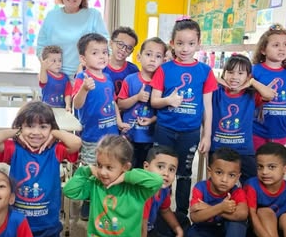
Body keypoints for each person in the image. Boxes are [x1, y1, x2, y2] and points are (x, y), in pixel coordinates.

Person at [0, 101, 81, 237]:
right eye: (29, 126)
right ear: (21, 127)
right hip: (21, 227)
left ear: (51, 128)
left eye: (43, 127)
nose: (36, 132)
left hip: (48, 226)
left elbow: (76, 143)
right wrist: (15, 131)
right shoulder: (15, 149)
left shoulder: (55, 150)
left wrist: (55, 133)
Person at [150, 17, 218, 217]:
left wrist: (206, 136)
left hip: (190, 132)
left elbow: (207, 107)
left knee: (184, 173)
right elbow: (154, 101)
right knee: (161, 171)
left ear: (198, 44)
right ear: (172, 43)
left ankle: (181, 214)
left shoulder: (205, 71)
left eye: (190, 43)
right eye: (179, 43)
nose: (185, 49)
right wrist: (168, 100)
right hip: (165, 130)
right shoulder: (164, 69)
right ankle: (157, 213)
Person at [72, 32, 126, 220]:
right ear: (83, 58)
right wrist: (84, 89)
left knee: (109, 167)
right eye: (95, 53)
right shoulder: (82, 78)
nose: (102, 56)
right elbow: (77, 104)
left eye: (104, 52)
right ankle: (88, 202)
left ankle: (106, 200)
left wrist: (119, 122)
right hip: (92, 136)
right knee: (92, 170)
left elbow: (113, 103)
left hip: (111, 136)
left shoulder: (108, 78)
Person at [212, 54, 276, 183]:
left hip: (244, 150)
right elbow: (203, 78)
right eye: (230, 72)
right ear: (224, 74)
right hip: (218, 148)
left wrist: (252, 82)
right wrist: (219, 80)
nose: (234, 77)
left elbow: (270, 95)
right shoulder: (216, 91)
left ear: (248, 76)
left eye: (240, 73)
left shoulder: (251, 94)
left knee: (251, 183)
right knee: (219, 184)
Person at [37, 0, 109, 80]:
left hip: (85, 77)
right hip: (55, 77)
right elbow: (41, 47)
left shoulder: (93, 15)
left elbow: (106, 46)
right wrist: (46, 70)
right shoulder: (51, 16)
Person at [251, 23, 286, 151]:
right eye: (276, 45)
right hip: (256, 132)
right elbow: (245, 100)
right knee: (257, 162)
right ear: (263, 50)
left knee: (276, 163)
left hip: (282, 134)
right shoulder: (254, 71)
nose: (282, 49)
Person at [137, 145, 188, 237]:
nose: (166, 173)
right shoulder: (145, 193)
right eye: (160, 167)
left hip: (151, 225)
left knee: (182, 219)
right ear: (146, 167)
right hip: (136, 236)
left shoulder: (163, 188)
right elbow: (141, 230)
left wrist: (177, 229)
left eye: (171, 169)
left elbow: (165, 210)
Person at [118, 37, 167, 168]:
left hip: (151, 138)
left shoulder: (164, 83)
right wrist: (137, 97)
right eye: (148, 54)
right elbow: (120, 104)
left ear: (164, 61)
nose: (153, 59)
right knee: (128, 169)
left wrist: (152, 120)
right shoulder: (130, 79)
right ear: (139, 57)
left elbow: (164, 111)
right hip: (129, 136)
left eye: (158, 56)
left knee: (146, 171)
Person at [105, 26, 140, 95]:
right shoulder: (99, 66)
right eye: (120, 44)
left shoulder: (133, 70)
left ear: (131, 52)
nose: (123, 49)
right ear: (111, 43)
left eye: (129, 48)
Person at [38, 45, 73, 111]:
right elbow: (43, 81)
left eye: (60, 60)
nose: (58, 64)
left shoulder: (65, 78)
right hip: (47, 110)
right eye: (54, 61)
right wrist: (43, 68)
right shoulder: (45, 75)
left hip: (62, 110)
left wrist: (68, 105)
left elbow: (68, 93)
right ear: (45, 62)